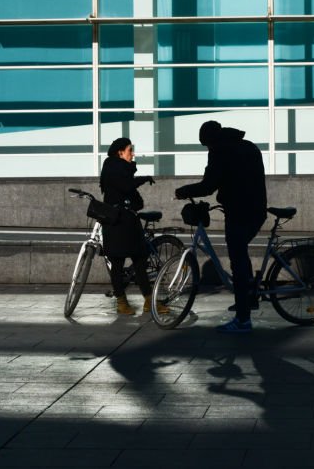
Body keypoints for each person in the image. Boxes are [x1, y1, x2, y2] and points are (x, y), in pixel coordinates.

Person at [175, 121, 267, 334]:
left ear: (209, 140)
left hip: (238, 212)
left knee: (238, 261)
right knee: (241, 255)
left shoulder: (220, 150)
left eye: (206, 144)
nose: (207, 148)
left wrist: (183, 190)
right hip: (256, 211)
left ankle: (243, 320)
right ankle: (248, 296)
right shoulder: (248, 146)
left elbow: (209, 184)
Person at [99, 137, 155, 316]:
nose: (133, 154)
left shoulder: (123, 169)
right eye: (130, 150)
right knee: (118, 262)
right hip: (117, 223)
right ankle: (122, 302)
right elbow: (126, 186)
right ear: (120, 152)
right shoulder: (113, 166)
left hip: (128, 221)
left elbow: (135, 197)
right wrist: (142, 179)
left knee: (139, 260)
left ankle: (149, 301)